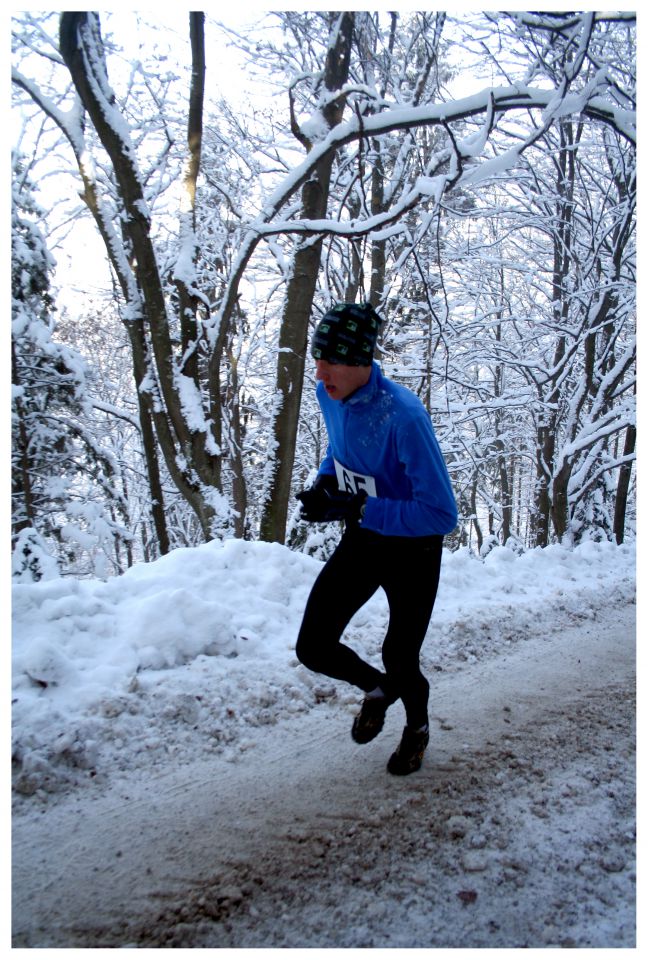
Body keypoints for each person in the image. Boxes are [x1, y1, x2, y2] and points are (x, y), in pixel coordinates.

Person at [295, 301, 458, 776]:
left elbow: (440, 513)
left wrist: (362, 506)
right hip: (365, 537)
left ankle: (417, 729)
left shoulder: (404, 416)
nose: (320, 371)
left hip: (414, 548)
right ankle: (377, 690)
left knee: (400, 656)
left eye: (330, 360)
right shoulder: (332, 394)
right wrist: (327, 484)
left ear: (361, 361)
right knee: (314, 646)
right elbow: (340, 449)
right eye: (317, 357)